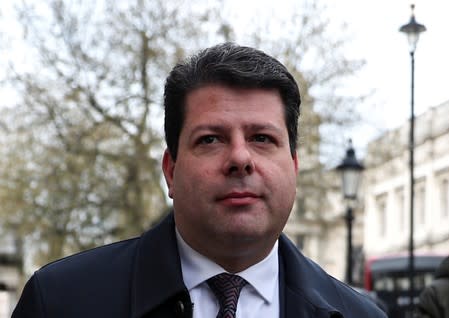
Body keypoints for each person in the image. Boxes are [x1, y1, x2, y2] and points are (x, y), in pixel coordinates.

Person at [12, 42, 386, 318]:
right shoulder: (61, 301)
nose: (240, 158)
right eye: (210, 139)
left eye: (262, 138)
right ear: (171, 170)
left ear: (294, 167)